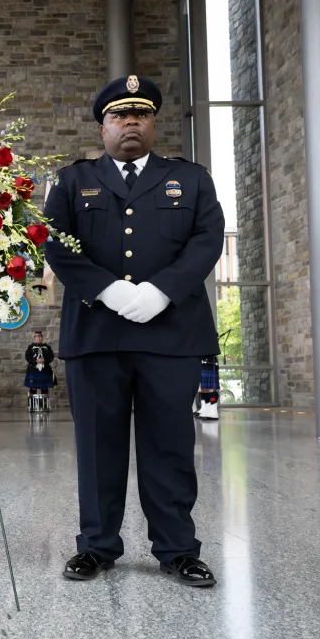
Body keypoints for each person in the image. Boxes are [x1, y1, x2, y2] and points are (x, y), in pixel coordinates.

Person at [44, 75, 225, 588]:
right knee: (97, 445)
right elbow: (56, 245)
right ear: (102, 127)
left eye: (140, 115)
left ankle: (177, 549)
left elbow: (207, 239)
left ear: (153, 124)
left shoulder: (190, 180)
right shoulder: (72, 181)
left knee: (169, 443)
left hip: (171, 333)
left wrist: (161, 291)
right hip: (97, 332)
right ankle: (97, 546)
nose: (130, 123)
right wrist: (110, 291)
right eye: (119, 116)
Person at [24, 330, 55, 406]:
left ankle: (44, 405)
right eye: (36, 337)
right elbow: (27, 357)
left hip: (45, 370)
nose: (38, 338)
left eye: (39, 336)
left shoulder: (47, 347)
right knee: (33, 388)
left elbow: (51, 356)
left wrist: (45, 360)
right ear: (34, 338)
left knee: (44, 388)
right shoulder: (30, 347)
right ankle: (31, 405)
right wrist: (35, 361)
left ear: (42, 338)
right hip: (33, 371)